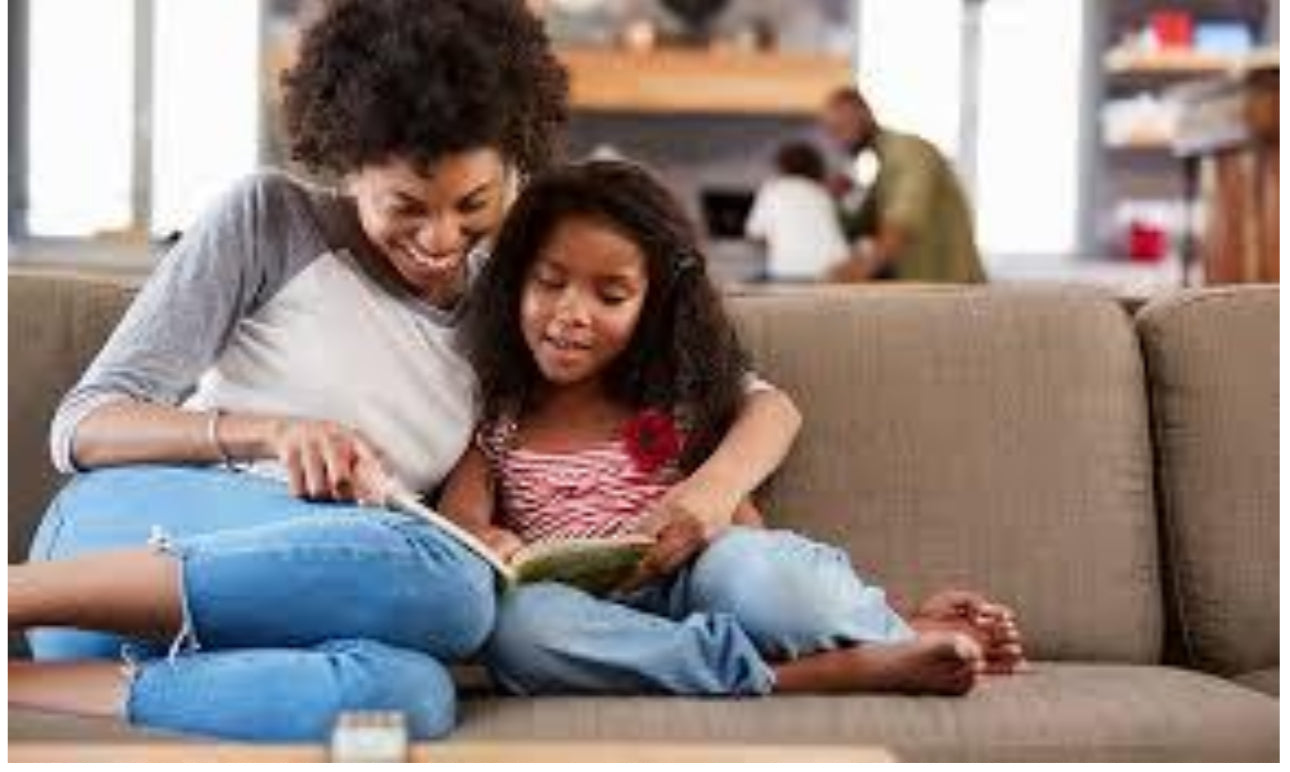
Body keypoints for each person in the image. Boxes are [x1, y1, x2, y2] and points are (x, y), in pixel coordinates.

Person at [9, 0, 804, 742]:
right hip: (112, 555)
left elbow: (759, 405)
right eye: (406, 207)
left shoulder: (521, 296)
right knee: (450, 584)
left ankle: (35, 685)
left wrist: (710, 490)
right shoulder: (268, 221)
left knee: (412, 697)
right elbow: (83, 424)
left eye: (473, 205)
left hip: (286, 606)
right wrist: (272, 432)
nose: (441, 240)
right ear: (347, 163)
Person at [440, 159, 1026, 699]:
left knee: (751, 573)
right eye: (549, 283)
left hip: (696, 583)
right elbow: (461, 518)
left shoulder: (667, 405)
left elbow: (747, 535)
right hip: (587, 616)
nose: (572, 313)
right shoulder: (501, 419)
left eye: (611, 295)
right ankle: (818, 670)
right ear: (515, 282)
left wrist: (721, 519)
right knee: (517, 630)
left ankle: (893, 624)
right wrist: (486, 540)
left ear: (654, 305)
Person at [819, 87, 987, 284]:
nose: (837, 140)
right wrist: (835, 197)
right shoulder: (883, 169)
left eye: (840, 128)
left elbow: (901, 223)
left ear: (863, 113)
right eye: (831, 132)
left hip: (954, 292)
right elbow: (859, 226)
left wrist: (855, 271)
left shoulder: (907, 151)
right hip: (930, 291)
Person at [744, 141, 849, 281]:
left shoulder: (772, 189)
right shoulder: (822, 192)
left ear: (782, 167)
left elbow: (754, 234)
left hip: (787, 272)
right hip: (832, 271)